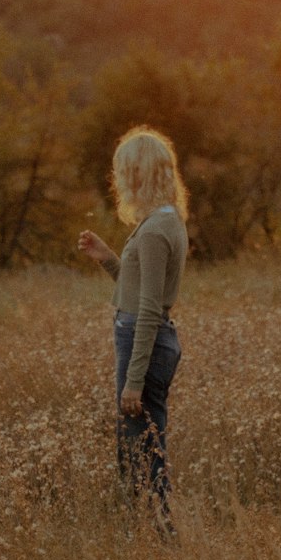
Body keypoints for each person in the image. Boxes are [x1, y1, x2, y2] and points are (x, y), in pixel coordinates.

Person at [78, 125, 189, 533]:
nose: (121, 180)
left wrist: (133, 382)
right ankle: (142, 531)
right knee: (138, 444)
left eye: (125, 171)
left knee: (143, 448)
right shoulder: (164, 220)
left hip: (145, 341)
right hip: (148, 338)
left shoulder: (157, 230)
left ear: (138, 174)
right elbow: (140, 290)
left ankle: (159, 535)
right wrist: (107, 257)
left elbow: (147, 309)